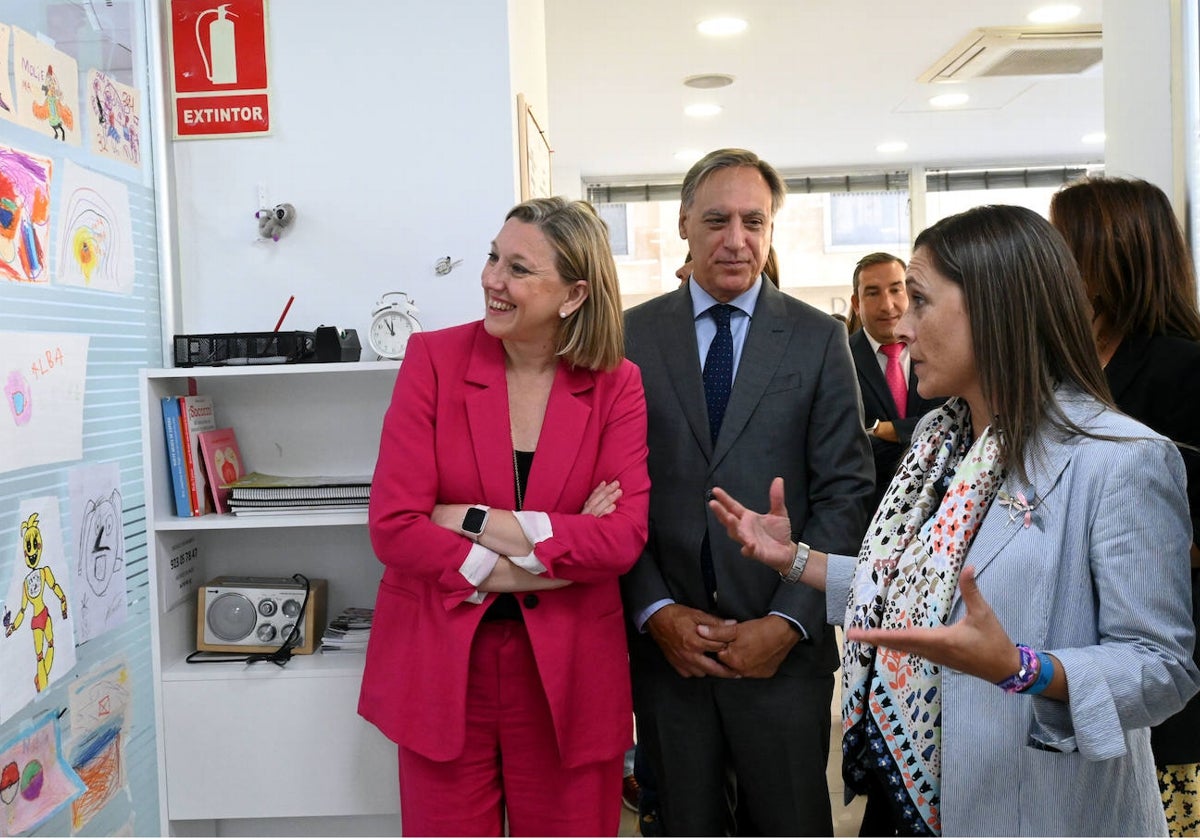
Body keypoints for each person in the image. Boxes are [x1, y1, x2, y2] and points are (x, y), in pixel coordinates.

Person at [709, 203, 1200, 837]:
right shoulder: (942, 447)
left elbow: (1161, 668)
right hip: (907, 784)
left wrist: (1024, 668)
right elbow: (912, 589)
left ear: (995, 309)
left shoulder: (1118, 460)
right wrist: (794, 559)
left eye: (920, 301)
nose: (900, 326)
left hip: (1030, 804)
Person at [360, 197, 651, 837]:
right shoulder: (432, 362)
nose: (492, 279)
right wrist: (547, 561)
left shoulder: (615, 384)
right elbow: (394, 525)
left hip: (570, 674)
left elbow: (621, 540)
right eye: (494, 257)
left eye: (519, 269)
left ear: (573, 295)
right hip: (443, 666)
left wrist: (463, 517)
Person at [623, 147, 874, 836]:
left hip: (782, 656)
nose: (736, 239)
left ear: (771, 230)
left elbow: (845, 492)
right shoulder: (629, 338)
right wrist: (655, 612)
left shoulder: (820, 339)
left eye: (753, 221)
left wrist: (788, 621)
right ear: (682, 225)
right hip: (670, 656)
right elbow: (610, 495)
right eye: (716, 219)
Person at [1050, 176, 1200, 836]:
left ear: (1103, 255)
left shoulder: (1183, 369)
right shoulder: (1064, 367)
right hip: (1073, 663)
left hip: (1162, 669)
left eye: (1059, 242)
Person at [848, 252, 944, 512]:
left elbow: (953, 422)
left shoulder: (942, 350)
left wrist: (886, 430)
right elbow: (850, 446)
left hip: (937, 507)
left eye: (895, 290)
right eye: (873, 293)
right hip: (868, 513)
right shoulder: (839, 359)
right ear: (856, 303)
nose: (887, 305)